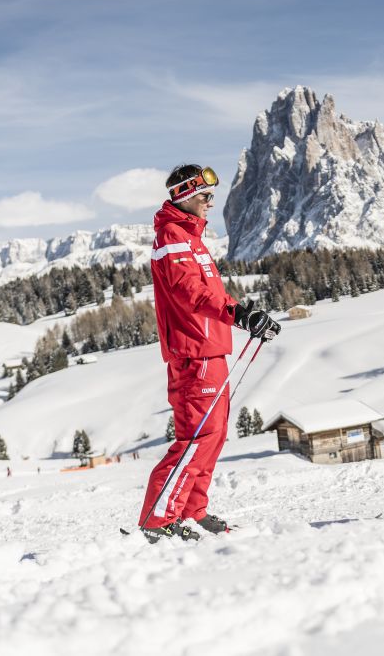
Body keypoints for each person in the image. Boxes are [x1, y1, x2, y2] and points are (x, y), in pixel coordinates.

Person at [138, 164, 280, 543]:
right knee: (195, 439)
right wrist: (235, 314)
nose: (210, 204)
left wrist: (246, 316)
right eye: (204, 197)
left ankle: (190, 511)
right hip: (193, 354)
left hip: (210, 350)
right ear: (185, 196)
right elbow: (189, 293)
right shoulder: (172, 237)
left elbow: (213, 294)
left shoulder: (192, 238)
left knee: (213, 437)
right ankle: (157, 520)